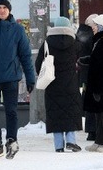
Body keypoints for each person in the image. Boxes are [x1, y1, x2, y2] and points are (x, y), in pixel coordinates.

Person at [0, 0, 36, 159]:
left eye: (4, 8)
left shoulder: (17, 29)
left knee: (11, 111)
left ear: (9, 10)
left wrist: (30, 78)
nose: (2, 10)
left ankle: (12, 140)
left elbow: (25, 56)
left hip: (11, 78)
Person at [35, 16, 82, 153]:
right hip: (71, 83)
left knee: (55, 113)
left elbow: (38, 64)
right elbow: (81, 56)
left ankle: (59, 145)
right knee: (70, 112)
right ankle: (71, 141)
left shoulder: (47, 43)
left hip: (52, 84)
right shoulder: (74, 43)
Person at [80, 14, 103, 152]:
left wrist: (99, 89)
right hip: (101, 86)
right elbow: (98, 60)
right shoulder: (101, 40)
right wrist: (87, 60)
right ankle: (100, 141)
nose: (93, 28)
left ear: (102, 27)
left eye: (95, 25)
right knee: (99, 114)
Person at [76, 14, 97, 141]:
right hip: (91, 74)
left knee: (89, 102)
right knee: (93, 102)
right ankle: (92, 130)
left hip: (85, 75)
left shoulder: (81, 34)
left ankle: (91, 130)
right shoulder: (90, 36)